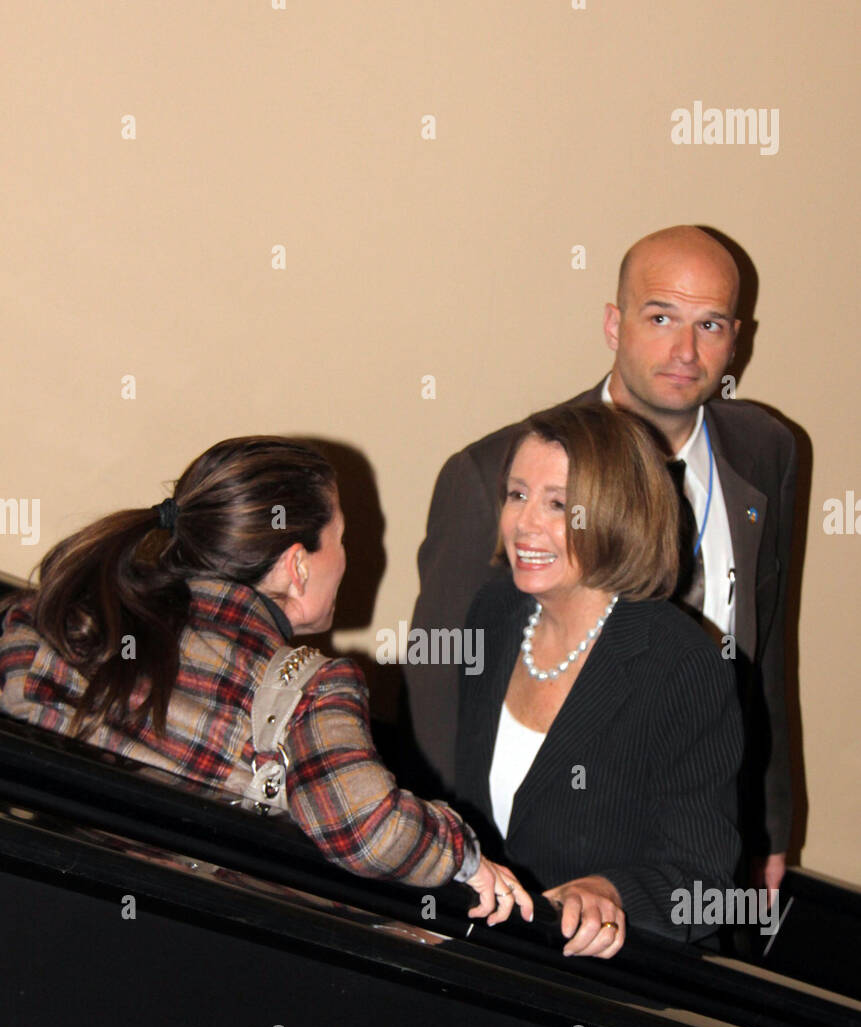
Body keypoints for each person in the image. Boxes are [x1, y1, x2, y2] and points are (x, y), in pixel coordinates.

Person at [407, 226, 797, 900]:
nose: (684, 350)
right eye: (660, 317)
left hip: (696, 838)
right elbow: (439, 689)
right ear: (613, 324)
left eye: (709, 324)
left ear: (736, 336)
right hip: (532, 870)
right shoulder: (494, 473)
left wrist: (770, 818)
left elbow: (770, 646)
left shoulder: (765, 447)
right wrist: (456, 871)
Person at [0, 436, 531, 926]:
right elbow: (368, 831)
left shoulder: (58, 623)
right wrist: (465, 856)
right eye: (341, 538)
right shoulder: (310, 691)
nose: (354, 558)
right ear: (296, 567)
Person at [455, 404, 743, 956]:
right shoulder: (494, 611)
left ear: (617, 514)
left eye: (559, 504)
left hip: (599, 989)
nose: (525, 523)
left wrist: (608, 890)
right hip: (484, 957)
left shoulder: (680, 665)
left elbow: (703, 886)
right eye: (517, 495)